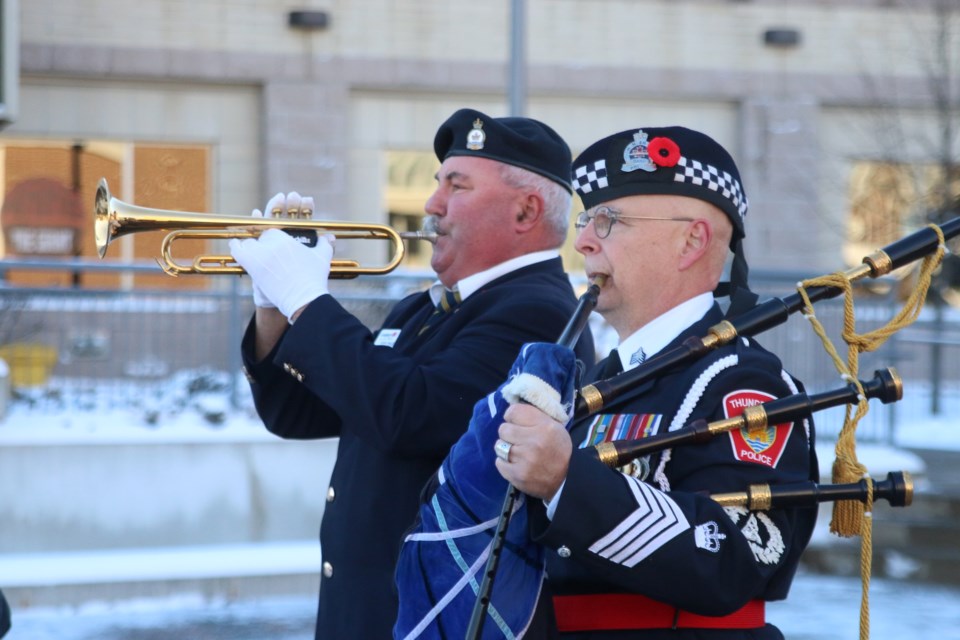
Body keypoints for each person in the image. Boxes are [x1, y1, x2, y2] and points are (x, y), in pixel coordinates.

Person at [229, 108, 595, 639]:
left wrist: (306, 301)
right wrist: (274, 308)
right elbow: (297, 412)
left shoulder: (536, 313)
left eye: (457, 186)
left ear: (525, 211)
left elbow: (407, 413)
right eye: (437, 184)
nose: (432, 205)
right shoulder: (425, 310)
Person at [493, 126, 818, 638]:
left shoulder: (743, 382)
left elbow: (736, 556)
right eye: (585, 219)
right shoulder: (603, 380)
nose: (582, 241)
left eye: (608, 220)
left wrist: (566, 482)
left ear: (690, 240)